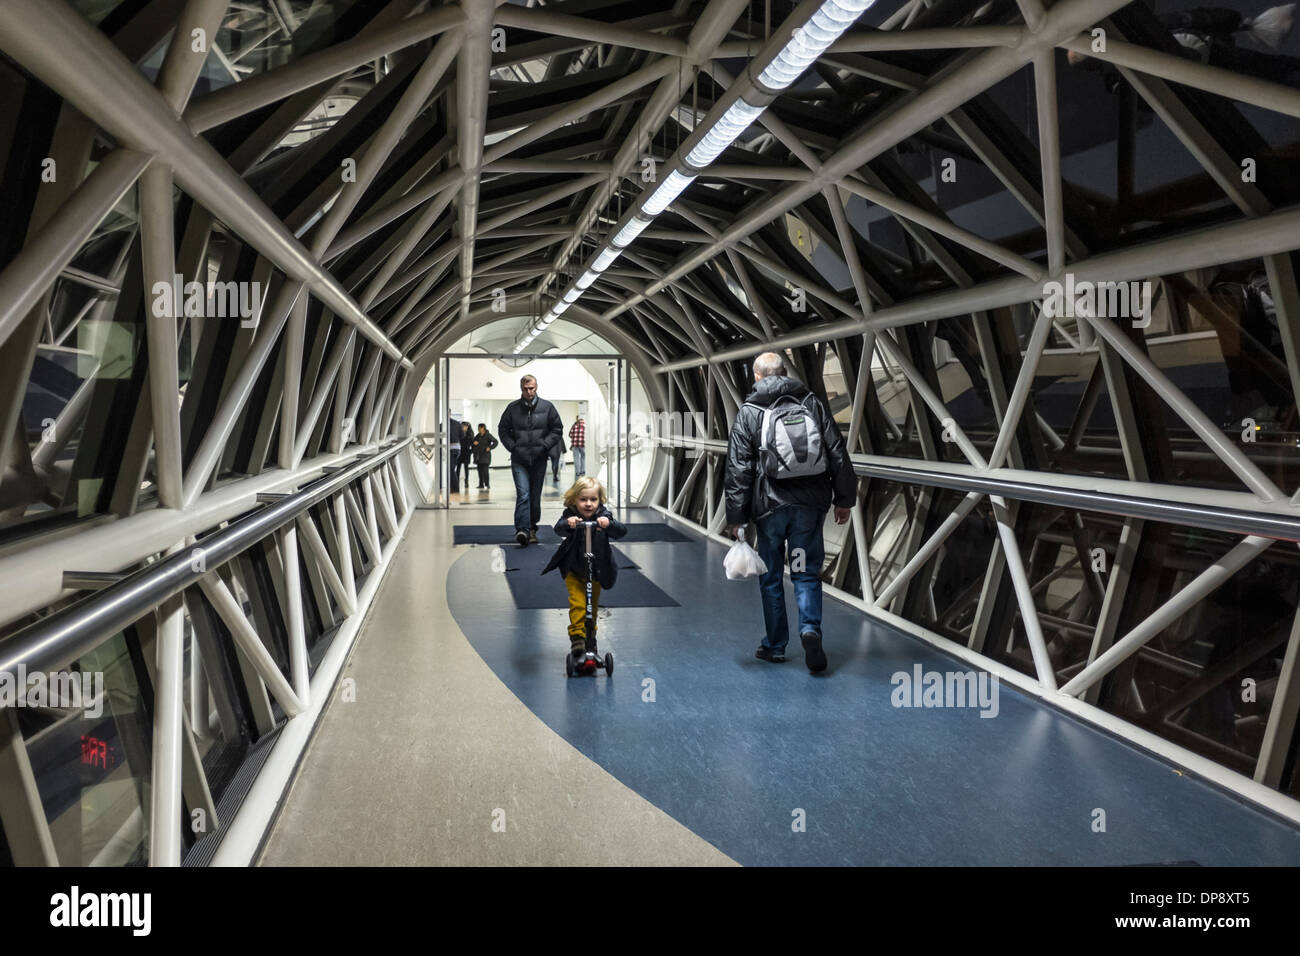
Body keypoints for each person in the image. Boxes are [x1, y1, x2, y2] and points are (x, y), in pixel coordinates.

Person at [724, 351, 856, 673]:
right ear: (785, 372)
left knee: (770, 577)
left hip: (770, 510)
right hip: (808, 508)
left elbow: (739, 468)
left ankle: (775, 646)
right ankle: (809, 630)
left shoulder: (750, 412)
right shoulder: (811, 403)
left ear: (757, 377)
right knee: (804, 571)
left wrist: (737, 518)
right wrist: (844, 500)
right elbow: (836, 451)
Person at [541, 476, 628, 662]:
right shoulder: (570, 514)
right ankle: (577, 638)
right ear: (574, 500)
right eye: (583, 500)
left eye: (593, 499)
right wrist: (569, 523)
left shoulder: (604, 515)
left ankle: (590, 640)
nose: (588, 504)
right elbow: (559, 529)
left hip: (596, 571)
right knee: (578, 603)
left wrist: (608, 524)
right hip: (574, 569)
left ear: (600, 500)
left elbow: (621, 531)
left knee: (591, 607)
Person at [497, 374, 562, 547]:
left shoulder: (548, 407)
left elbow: (557, 429)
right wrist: (513, 447)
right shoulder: (512, 408)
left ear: (536, 387)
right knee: (523, 494)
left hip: (540, 459)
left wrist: (544, 445)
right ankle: (522, 530)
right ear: (521, 389)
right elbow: (502, 430)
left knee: (534, 496)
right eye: (525, 389)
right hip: (519, 459)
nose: (529, 391)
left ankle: (532, 527)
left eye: (531, 388)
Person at [470, 423, 498, 489]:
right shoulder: (478, 436)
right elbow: (473, 443)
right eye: (478, 428)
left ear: (483, 428)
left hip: (485, 456)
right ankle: (481, 484)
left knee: (485, 471)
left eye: (479, 428)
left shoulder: (488, 435)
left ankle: (487, 484)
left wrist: (490, 447)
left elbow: (496, 442)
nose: (478, 429)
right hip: (478, 456)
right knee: (479, 471)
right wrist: (474, 443)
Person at [459, 421, 474, 490]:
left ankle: (466, 481)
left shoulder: (470, 433)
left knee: (466, 467)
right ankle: (456, 481)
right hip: (460, 451)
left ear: (467, 426)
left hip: (466, 452)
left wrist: (470, 452)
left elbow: (472, 444)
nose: (462, 427)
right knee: (458, 467)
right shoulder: (460, 432)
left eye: (463, 426)